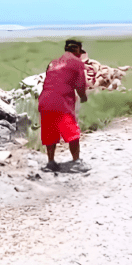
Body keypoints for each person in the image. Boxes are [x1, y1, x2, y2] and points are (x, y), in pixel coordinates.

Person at [38, 39, 91, 173]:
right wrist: (83, 97)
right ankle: (76, 162)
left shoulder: (53, 63)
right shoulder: (77, 62)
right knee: (71, 131)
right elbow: (80, 85)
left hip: (44, 100)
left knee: (50, 132)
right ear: (77, 50)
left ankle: (51, 162)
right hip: (61, 101)